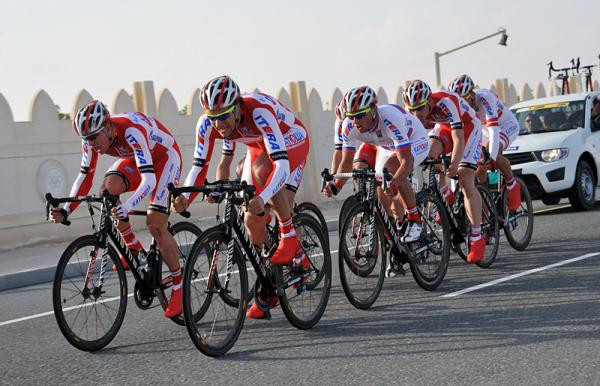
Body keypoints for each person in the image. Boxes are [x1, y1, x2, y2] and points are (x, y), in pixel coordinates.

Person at [171, 75, 310, 319]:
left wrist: (265, 194)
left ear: (237, 108)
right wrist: (186, 197)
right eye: (213, 118)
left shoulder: (259, 112)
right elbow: (199, 166)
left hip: (292, 138)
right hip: (258, 146)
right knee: (250, 219)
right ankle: (269, 287)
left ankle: (289, 237)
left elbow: (281, 166)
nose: (219, 124)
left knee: (268, 183)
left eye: (224, 116)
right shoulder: (206, 124)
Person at [49, 100, 184, 318]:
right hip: (135, 159)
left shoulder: (132, 131)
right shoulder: (91, 139)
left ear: (109, 127)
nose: (91, 144)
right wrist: (65, 210)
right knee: (108, 191)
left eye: (94, 138)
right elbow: (85, 176)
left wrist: (129, 206)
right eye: (86, 139)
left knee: (155, 224)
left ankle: (179, 283)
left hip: (165, 158)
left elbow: (148, 180)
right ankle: (134, 248)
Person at [323, 86, 429, 246]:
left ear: (373, 110)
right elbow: (346, 163)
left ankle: (415, 218)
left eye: (359, 115)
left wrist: (395, 181)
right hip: (386, 146)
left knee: (392, 170)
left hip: (414, 138)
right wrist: (335, 184)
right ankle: (395, 232)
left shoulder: (390, 118)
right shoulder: (349, 126)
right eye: (351, 116)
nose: (355, 121)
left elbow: (405, 162)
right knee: (379, 184)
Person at [403, 80, 485, 264]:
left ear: (430, 101)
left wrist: (455, 164)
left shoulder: (447, 102)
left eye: (420, 108)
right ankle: (443, 194)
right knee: (429, 156)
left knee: (464, 179)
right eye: (412, 109)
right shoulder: (413, 114)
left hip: (468, 128)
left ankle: (477, 236)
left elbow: (458, 137)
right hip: (443, 128)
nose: (416, 114)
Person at [449, 74, 521, 211]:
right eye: (458, 102)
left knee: (491, 152)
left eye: (465, 100)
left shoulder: (485, 98)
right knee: (479, 167)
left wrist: (492, 157)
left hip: (505, 125)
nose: (462, 105)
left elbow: (494, 131)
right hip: (484, 131)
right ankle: (487, 196)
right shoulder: (459, 108)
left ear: (471, 94)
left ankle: (512, 185)